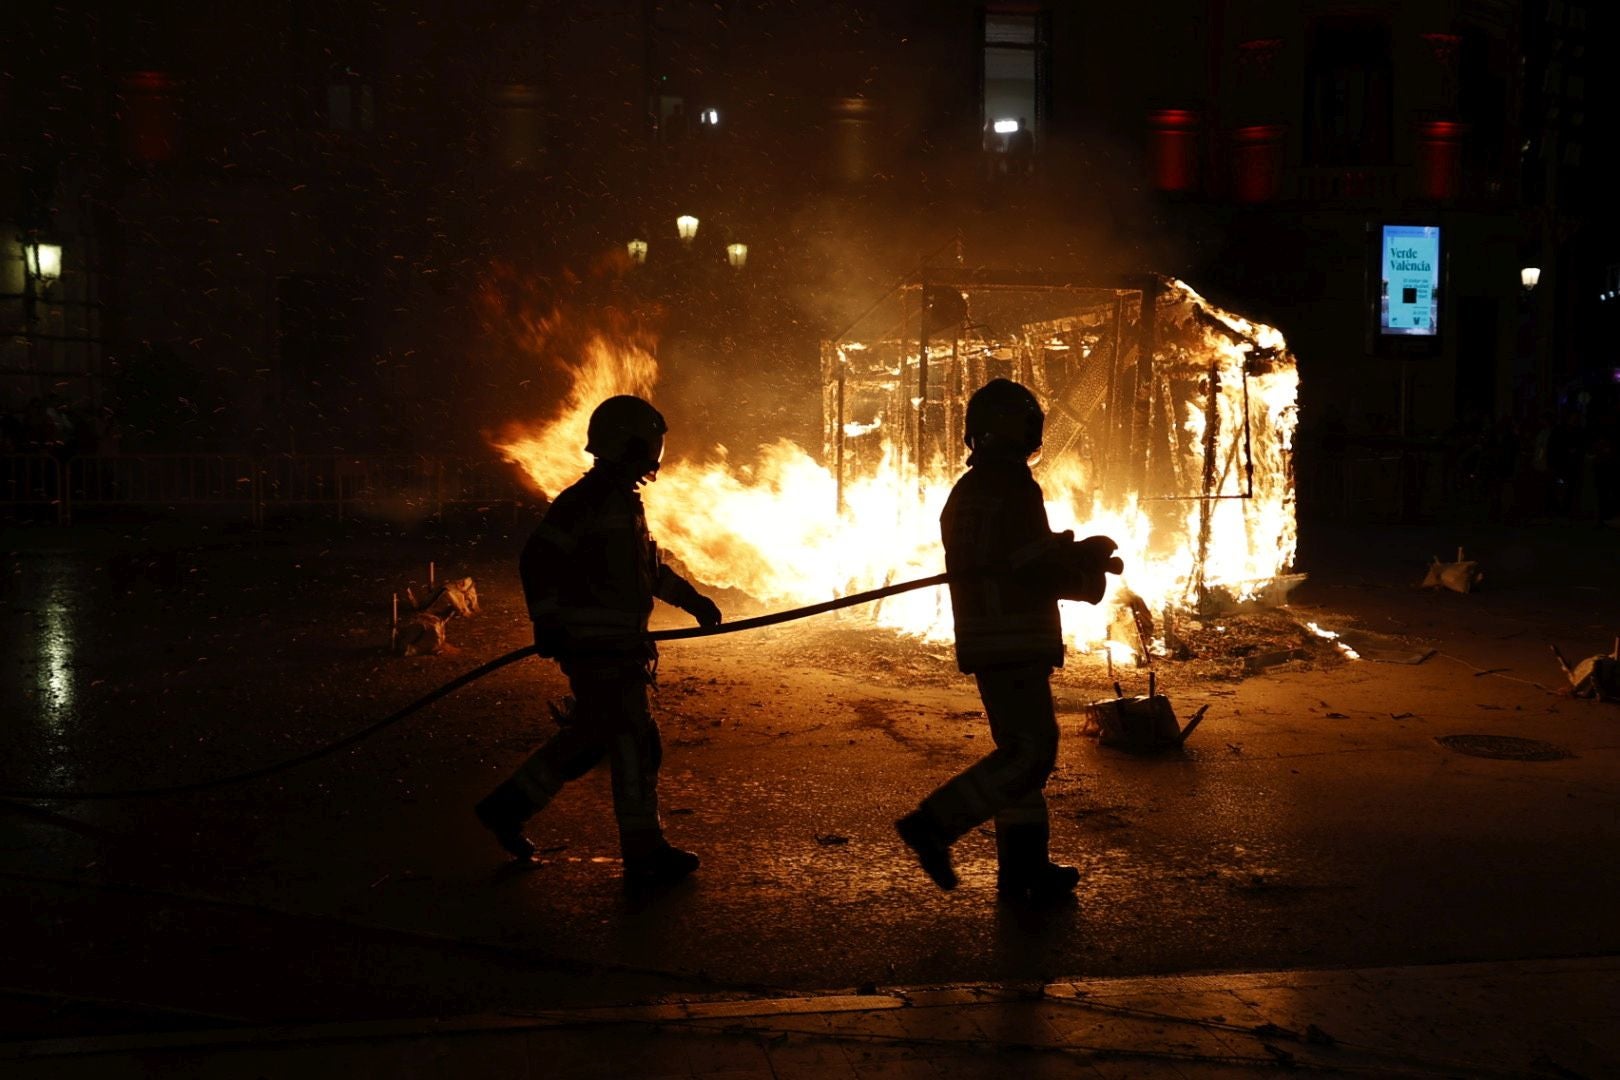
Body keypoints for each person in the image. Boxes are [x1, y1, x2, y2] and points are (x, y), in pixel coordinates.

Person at [475, 395, 723, 887]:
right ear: (631, 445)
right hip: (596, 649)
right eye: (648, 446)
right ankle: (644, 852)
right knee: (633, 741)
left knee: (590, 739)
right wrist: (547, 624)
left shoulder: (622, 503)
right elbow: (537, 560)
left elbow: (647, 570)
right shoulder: (585, 502)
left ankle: (506, 809)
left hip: (618, 647)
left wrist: (694, 601)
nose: (653, 457)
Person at [894, 379, 1120, 904]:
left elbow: (1013, 554)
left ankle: (1024, 870)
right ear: (1026, 431)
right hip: (1014, 638)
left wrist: (1072, 550)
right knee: (1031, 755)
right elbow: (1032, 570)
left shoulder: (969, 491)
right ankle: (935, 824)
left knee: (1020, 755)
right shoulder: (1015, 486)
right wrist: (1086, 579)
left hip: (989, 640)